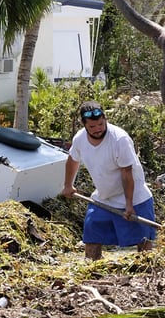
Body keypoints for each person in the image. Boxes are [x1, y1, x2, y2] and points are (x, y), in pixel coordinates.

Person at [61, 100, 156, 260]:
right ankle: (92, 270)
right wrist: (68, 185)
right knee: (92, 236)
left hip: (135, 197)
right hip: (104, 198)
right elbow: (72, 159)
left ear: (105, 119)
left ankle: (147, 276)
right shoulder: (80, 139)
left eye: (100, 124)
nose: (98, 129)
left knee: (144, 244)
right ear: (84, 125)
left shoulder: (119, 139)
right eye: (92, 127)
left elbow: (127, 173)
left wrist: (129, 204)